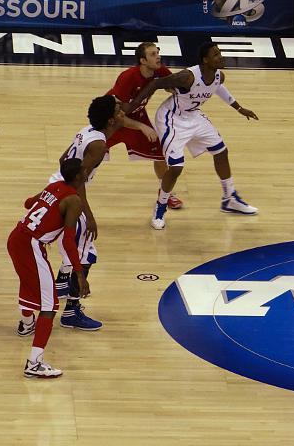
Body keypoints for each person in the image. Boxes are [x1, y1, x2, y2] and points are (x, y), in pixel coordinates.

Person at [124, 42, 260, 230]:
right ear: (205, 60)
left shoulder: (219, 75)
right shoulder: (188, 76)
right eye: (215, 54)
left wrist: (239, 108)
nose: (220, 57)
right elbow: (156, 83)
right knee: (177, 166)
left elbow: (218, 86)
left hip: (193, 116)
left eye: (220, 53)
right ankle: (160, 207)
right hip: (171, 118)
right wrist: (133, 106)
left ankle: (229, 199)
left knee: (221, 152)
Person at [9, 158, 90, 378]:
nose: (86, 172)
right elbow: (67, 241)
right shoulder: (74, 200)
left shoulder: (54, 187)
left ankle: (26, 324)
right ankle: (34, 364)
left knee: (28, 283)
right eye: (83, 170)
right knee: (50, 306)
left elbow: (28, 204)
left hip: (16, 237)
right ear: (76, 177)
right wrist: (79, 273)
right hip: (31, 245)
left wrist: (44, 202)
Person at [51, 95, 126, 331]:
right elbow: (78, 179)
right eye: (119, 110)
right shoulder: (98, 145)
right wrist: (89, 215)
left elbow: (63, 159)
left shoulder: (88, 131)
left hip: (55, 185)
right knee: (86, 254)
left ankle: (62, 284)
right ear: (111, 120)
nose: (123, 112)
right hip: (69, 194)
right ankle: (71, 312)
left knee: (75, 245)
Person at [107, 42, 183, 210]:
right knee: (91, 153)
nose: (158, 57)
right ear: (143, 60)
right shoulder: (128, 77)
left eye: (158, 53)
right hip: (111, 120)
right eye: (153, 54)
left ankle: (165, 194)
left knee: (160, 154)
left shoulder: (160, 71)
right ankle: (65, 186)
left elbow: (175, 87)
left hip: (137, 115)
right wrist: (142, 127)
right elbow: (118, 115)